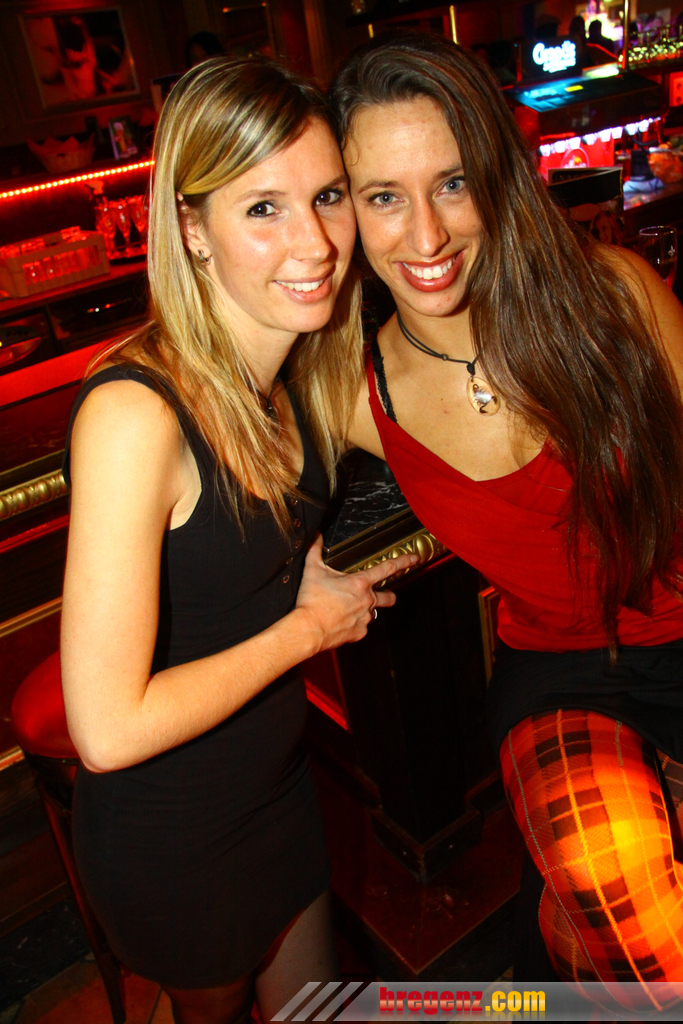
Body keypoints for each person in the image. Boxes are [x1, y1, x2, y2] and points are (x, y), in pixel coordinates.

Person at [61, 56, 415, 1024]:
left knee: (315, 1009)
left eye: (328, 196)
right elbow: (107, 730)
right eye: (262, 207)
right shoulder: (137, 415)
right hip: (173, 830)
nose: (314, 242)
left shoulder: (299, 370)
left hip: (276, 782)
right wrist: (307, 629)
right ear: (191, 230)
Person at [329, 34, 683, 1001]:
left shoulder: (613, 296)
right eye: (382, 196)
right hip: (559, 675)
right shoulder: (353, 391)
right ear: (342, 210)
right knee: (624, 913)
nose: (426, 236)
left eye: (451, 183)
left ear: (495, 176)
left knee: (579, 938)